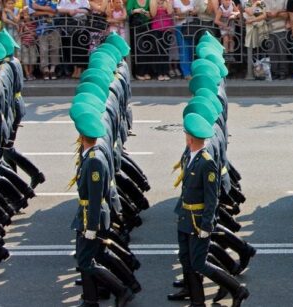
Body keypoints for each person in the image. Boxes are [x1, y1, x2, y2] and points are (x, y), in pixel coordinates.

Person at [175, 112, 249, 307]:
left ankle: (237, 289)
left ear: (190, 138)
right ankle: (197, 301)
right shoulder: (188, 155)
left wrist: (207, 224)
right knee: (186, 260)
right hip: (185, 217)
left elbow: (211, 197)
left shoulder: (206, 161)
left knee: (199, 263)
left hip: (199, 220)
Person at [69, 107, 136, 307]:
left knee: (85, 260)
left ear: (82, 136)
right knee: (93, 257)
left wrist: (91, 226)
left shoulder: (94, 161)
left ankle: (121, 290)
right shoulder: (91, 155)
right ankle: (91, 299)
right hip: (88, 213)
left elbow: (97, 196)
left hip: (92, 216)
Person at [127, 0, 152, 80]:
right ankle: (139, 72)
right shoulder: (132, 1)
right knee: (140, 49)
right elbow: (127, 12)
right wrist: (136, 11)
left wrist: (147, 14)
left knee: (147, 49)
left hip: (147, 27)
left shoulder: (148, 1)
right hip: (136, 28)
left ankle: (146, 72)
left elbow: (151, 15)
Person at [264, 0, 289, 80]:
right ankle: (274, 72)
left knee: (282, 52)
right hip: (270, 30)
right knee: (272, 52)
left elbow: (286, 15)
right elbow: (267, 14)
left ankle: (283, 72)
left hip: (282, 29)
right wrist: (280, 13)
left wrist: (276, 13)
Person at [149, 0, 173, 81]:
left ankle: (165, 72)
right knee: (158, 51)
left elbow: (170, 12)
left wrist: (168, 2)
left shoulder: (168, 1)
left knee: (165, 51)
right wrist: (157, 3)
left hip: (167, 29)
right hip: (156, 29)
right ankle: (159, 73)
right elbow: (153, 14)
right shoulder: (152, 1)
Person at [174, 0, 197, 79]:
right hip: (180, 27)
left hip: (191, 27)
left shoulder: (193, 1)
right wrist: (188, 12)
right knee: (183, 49)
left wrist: (188, 13)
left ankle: (192, 71)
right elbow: (179, 16)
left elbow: (195, 12)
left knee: (191, 49)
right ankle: (186, 73)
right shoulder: (176, 1)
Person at [19, 8, 38, 80]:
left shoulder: (34, 24)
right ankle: (27, 74)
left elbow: (35, 34)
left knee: (33, 59)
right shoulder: (22, 24)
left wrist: (29, 31)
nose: (26, 16)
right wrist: (23, 27)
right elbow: (20, 34)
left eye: (28, 15)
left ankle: (31, 73)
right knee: (25, 60)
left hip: (32, 43)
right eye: (25, 15)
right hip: (25, 43)